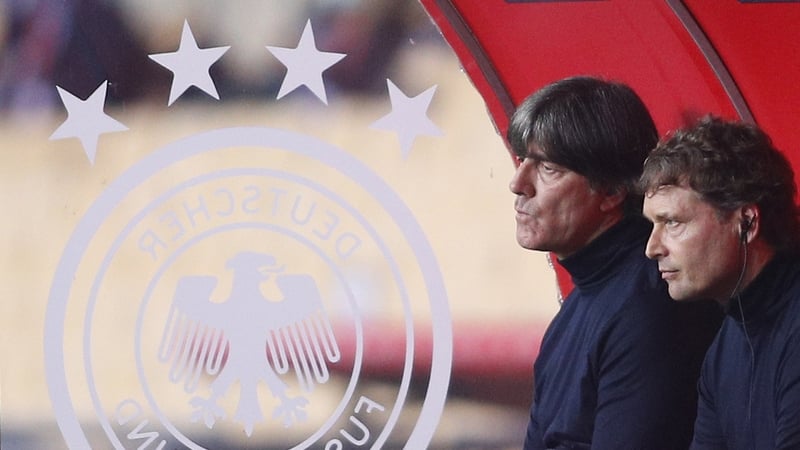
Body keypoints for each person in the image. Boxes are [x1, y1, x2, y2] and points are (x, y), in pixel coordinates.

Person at [508, 76, 722, 449]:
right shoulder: (585, 303)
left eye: (548, 168)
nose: (517, 183)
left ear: (611, 190)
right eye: (522, 160)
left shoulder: (650, 304)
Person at [640, 115, 800, 449]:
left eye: (672, 222)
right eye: (653, 225)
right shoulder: (722, 352)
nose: (652, 248)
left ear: (746, 222)